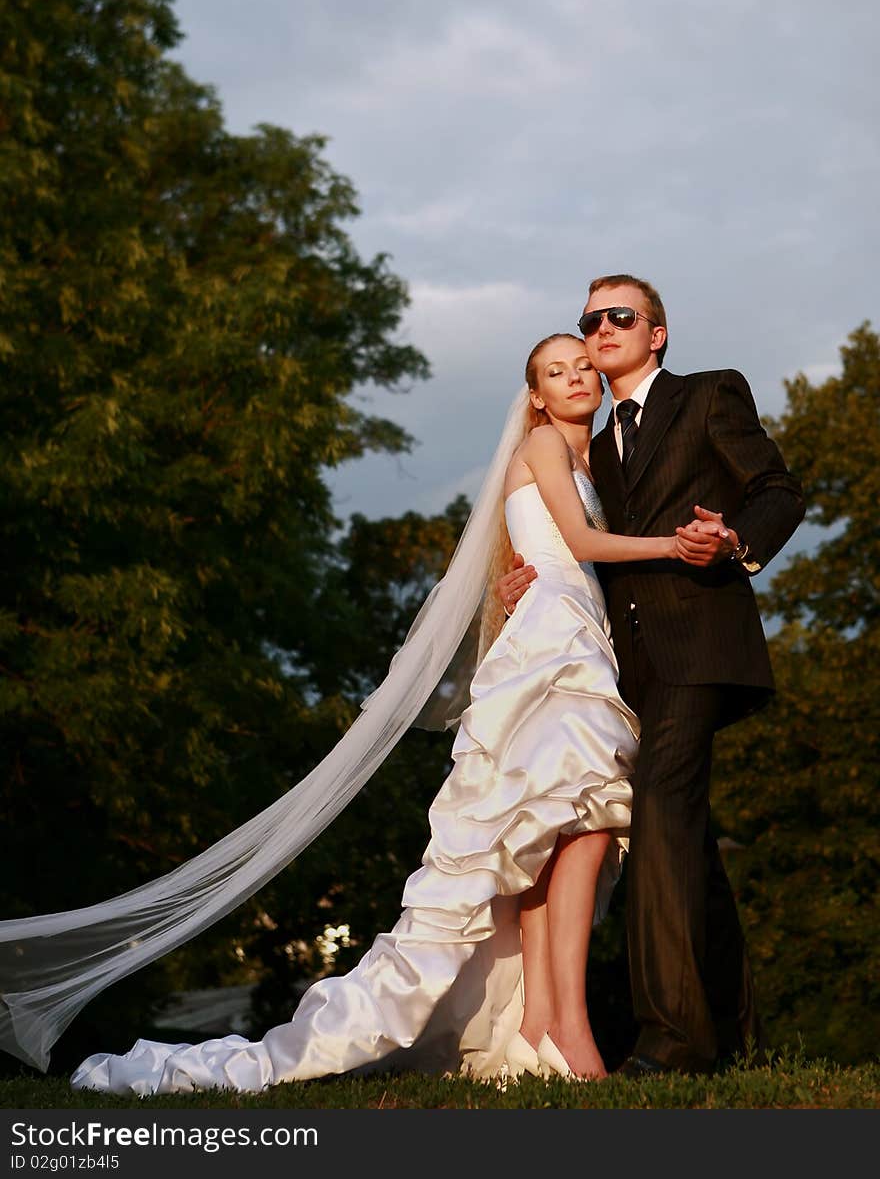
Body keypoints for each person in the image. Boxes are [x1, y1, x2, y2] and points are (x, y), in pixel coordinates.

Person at [0, 333, 692, 1096]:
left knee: (557, 833)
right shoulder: (542, 445)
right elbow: (584, 539)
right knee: (575, 823)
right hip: (553, 644)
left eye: (583, 367)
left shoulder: (591, 460)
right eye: (556, 371)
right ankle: (563, 1030)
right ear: (535, 395)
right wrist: (680, 545)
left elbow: (544, 546)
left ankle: (545, 1029)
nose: (575, 379)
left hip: (569, 628)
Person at [498, 276, 805, 1077]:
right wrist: (521, 578)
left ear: (656, 333)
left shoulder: (710, 395)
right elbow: (567, 539)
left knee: (659, 808)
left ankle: (669, 1042)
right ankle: (738, 1038)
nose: (601, 328)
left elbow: (778, 490)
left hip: (702, 642)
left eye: (619, 316)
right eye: (589, 319)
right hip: (623, 663)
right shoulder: (586, 447)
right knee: (685, 839)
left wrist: (734, 536)